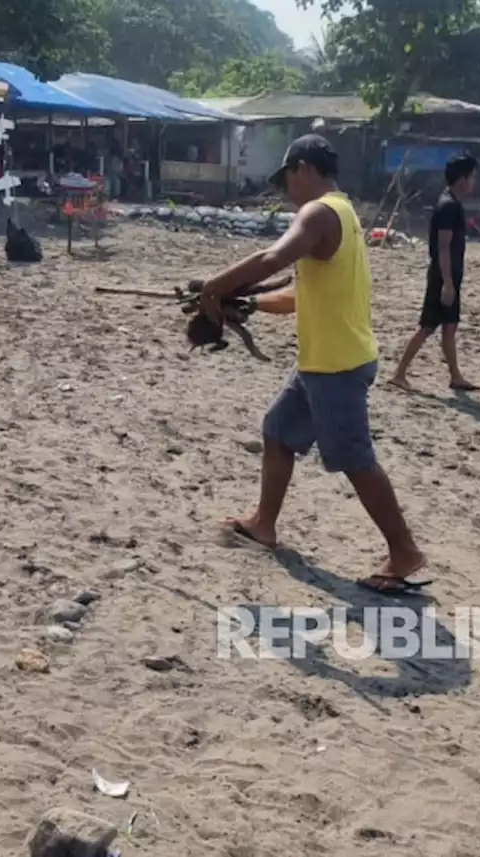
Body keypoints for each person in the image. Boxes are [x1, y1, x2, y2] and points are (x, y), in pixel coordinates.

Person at [199, 134, 428, 593]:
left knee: (355, 460)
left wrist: (214, 286)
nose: (287, 190)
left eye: (287, 178)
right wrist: (250, 304)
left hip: (338, 366)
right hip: (321, 361)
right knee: (279, 430)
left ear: (302, 168)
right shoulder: (341, 214)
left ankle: (404, 550)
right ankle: (265, 523)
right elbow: (300, 296)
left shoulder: (320, 212)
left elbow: (273, 257)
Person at [389, 154, 479, 393]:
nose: (474, 182)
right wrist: (447, 283)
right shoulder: (448, 206)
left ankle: (455, 376)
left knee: (449, 325)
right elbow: (442, 246)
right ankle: (399, 373)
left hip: (447, 275)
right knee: (428, 326)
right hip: (443, 275)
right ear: (462, 179)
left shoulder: (452, 204)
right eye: (472, 177)